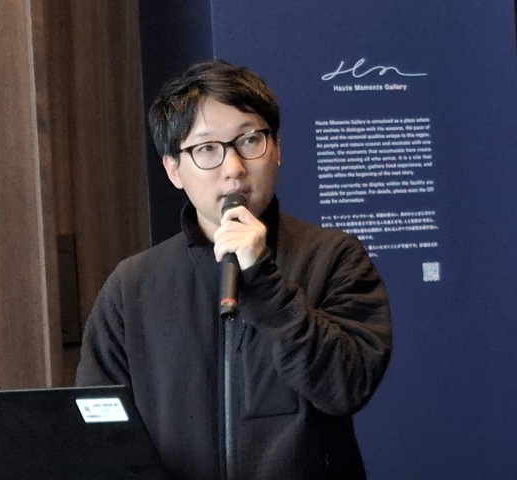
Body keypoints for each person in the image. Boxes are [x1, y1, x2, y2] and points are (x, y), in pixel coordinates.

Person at [76, 59, 392, 480]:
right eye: (207, 148)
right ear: (173, 169)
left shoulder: (334, 257)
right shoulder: (132, 284)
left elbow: (345, 387)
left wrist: (264, 279)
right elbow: (100, 427)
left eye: (249, 140)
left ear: (277, 149)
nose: (234, 168)